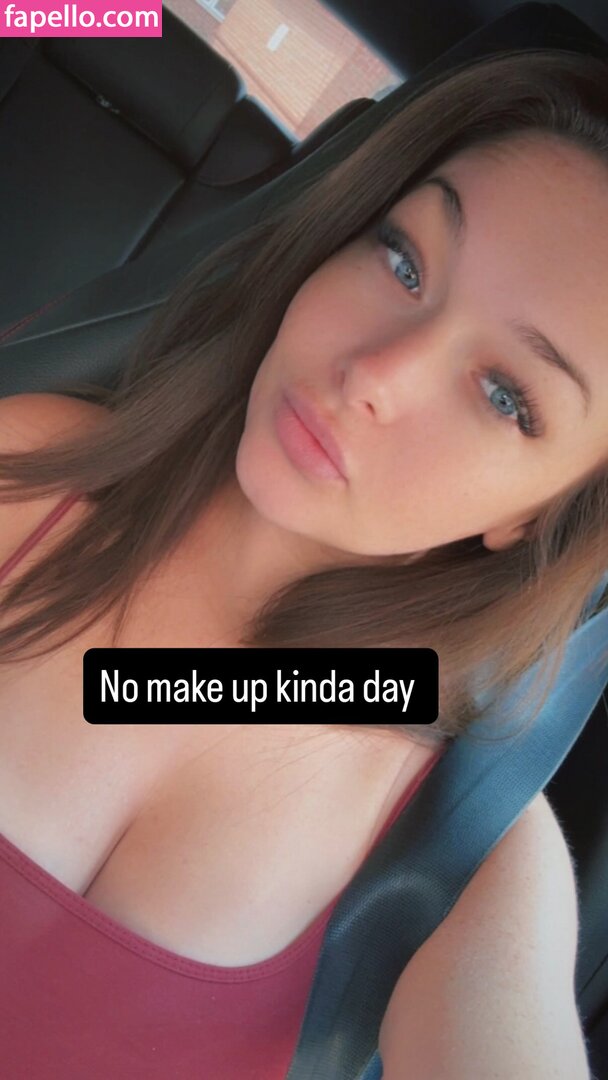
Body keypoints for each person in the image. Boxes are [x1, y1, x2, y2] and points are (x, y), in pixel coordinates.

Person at [0, 46, 605, 1078]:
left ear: (539, 516)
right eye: (403, 261)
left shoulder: (468, 856)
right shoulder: (25, 471)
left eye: (505, 396)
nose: (375, 373)